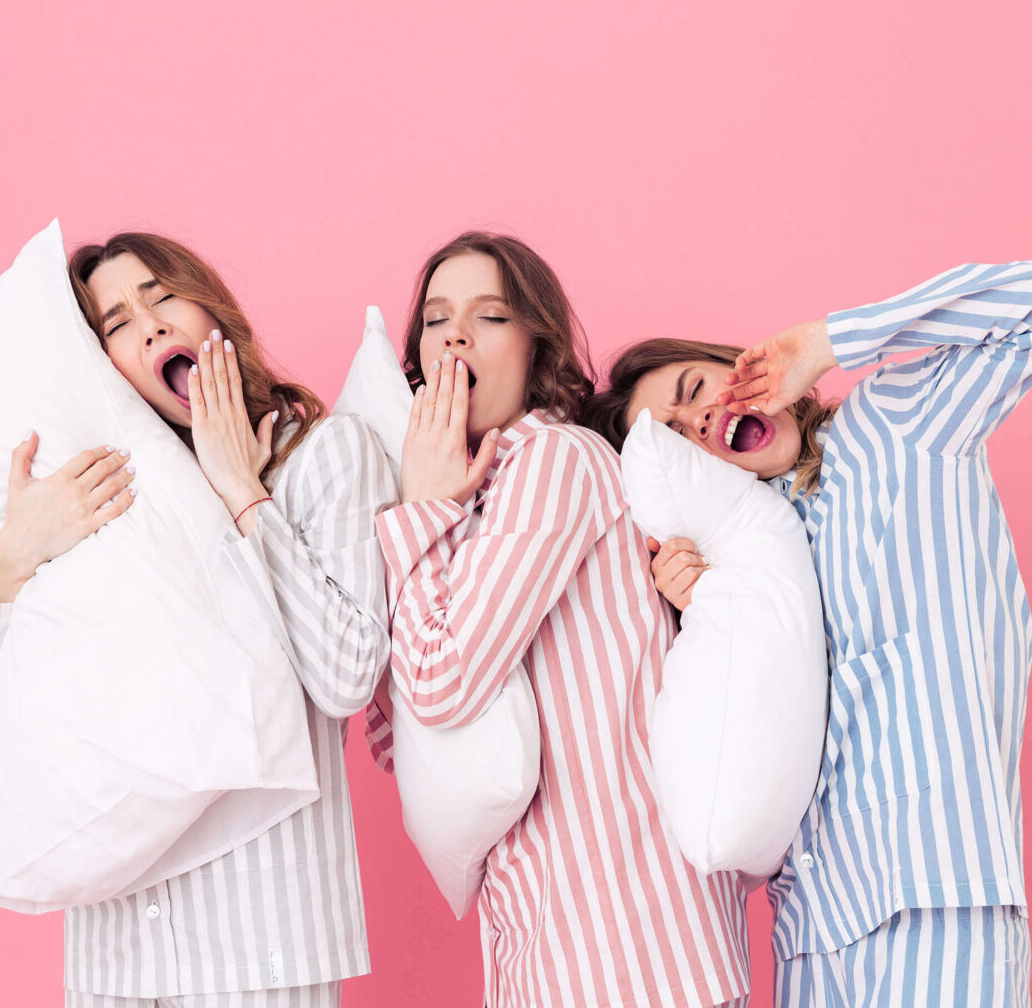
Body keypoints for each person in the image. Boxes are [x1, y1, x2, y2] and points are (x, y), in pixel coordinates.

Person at [582, 262, 1032, 1006]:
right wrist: (697, 612)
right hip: (807, 937)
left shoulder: (893, 427)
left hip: (936, 896)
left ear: (739, 363)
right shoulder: (750, 566)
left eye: (695, 391)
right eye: (676, 442)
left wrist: (828, 342)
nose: (698, 426)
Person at [0, 232, 397, 1008]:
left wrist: (243, 494)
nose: (151, 326)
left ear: (211, 308)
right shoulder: (96, 490)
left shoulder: (324, 454)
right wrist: (14, 555)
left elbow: (345, 676)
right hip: (114, 948)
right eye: (117, 324)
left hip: (262, 940)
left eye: (163, 296)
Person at [366, 232, 752, 1008]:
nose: (456, 336)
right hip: (553, 948)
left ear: (537, 346)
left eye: (490, 316)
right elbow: (398, 741)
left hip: (632, 951)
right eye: (436, 320)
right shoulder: (477, 501)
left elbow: (438, 688)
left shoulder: (557, 460)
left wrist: (420, 510)